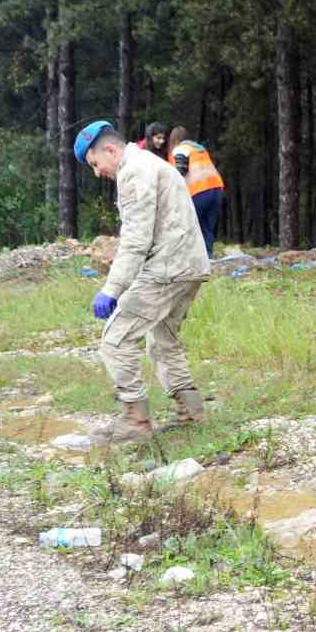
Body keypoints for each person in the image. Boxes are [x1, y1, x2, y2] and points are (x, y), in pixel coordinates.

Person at [74, 120, 211, 445]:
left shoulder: (133, 170)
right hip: (189, 266)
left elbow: (136, 238)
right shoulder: (150, 163)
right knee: (163, 340)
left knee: (116, 339)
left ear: (109, 149)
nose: (98, 173)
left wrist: (111, 289)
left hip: (167, 269)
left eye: (95, 164)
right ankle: (192, 413)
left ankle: (135, 421)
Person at [167, 127, 226, 257]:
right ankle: (207, 257)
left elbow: (179, 172)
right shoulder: (199, 148)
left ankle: (188, 258)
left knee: (189, 225)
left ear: (174, 139)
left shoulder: (180, 149)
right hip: (216, 188)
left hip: (199, 190)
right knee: (207, 226)